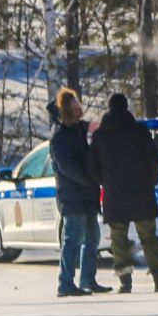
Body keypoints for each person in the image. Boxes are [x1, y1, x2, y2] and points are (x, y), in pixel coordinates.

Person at [90, 93, 158, 294]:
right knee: (148, 237)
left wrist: (105, 182)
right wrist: (150, 180)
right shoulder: (139, 132)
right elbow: (153, 160)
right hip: (141, 191)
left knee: (118, 239)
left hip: (114, 193)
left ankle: (125, 282)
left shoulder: (100, 136)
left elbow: (92, 167)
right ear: (126, 107)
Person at [49, 88, 109, 296]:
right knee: (72, 240)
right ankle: (65, 282)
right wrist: (88, 179)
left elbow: (92, 132)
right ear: (67, 110)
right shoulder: (59, 137)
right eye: (75, 107)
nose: (79, 110)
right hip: (72, 195)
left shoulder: (79, 130)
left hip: (87, 194)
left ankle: (87, 279)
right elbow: (66, 167)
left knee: (92, 237)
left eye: (79, 105)